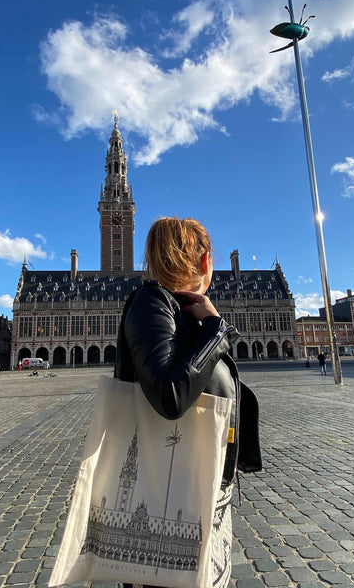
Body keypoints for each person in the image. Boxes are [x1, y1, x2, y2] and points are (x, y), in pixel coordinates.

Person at [115, 217, 261, 588]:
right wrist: (216, 331)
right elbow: (171, 393)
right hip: (170, 487)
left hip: (203, 485)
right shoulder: (152, 305)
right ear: (205, 261)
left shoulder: (186, 312)